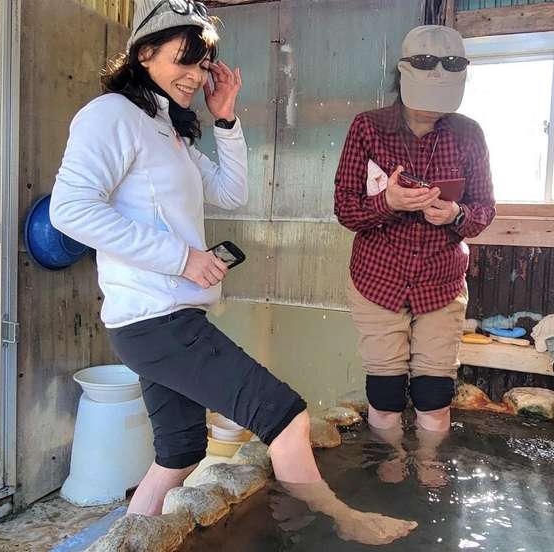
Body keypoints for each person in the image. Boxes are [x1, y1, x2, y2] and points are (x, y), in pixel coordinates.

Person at [51, 0, 416, 544]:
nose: (196, 76)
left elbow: (230, 192)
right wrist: (183, 258)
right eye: (185, 60)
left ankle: (126, 540)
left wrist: (225, 118)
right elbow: (70, 210)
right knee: (285, 416)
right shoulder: (111, 115)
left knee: (180, 452)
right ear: (144, 53)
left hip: (162, 320)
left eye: (204, 65)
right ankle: (345, 521)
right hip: (156, 320)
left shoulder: (166, 127)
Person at [334, 24, 495, 481]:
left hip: (441, 281)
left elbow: (484, 209)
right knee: (384, 392)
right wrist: (388, 202)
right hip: (378, 279)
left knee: (434, 392)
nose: (432, 110)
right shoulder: (368, 127)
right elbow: (345, 208)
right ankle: (389, 470)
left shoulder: (468, 134)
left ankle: (427, 467)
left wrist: (456, 215)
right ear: (402, 79)